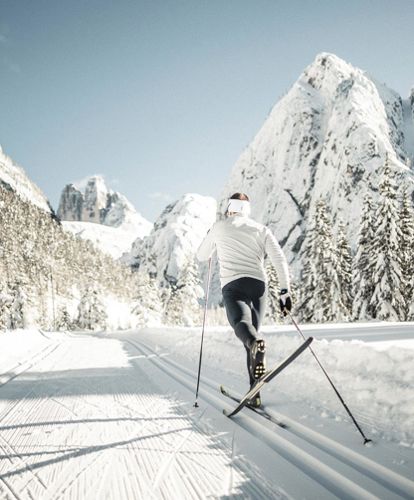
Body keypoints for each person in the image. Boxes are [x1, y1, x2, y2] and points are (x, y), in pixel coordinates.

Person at [196, 192, 292, 407]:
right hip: (259, 286)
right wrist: (285, 291)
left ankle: (254, 361)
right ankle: (254, 392)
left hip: (234, 285)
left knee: (244, 328)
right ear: (247, 209)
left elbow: (202, 255)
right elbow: (279, 258)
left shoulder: (219, 226)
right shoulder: (261, 229)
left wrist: (210, 235)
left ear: (230, 208)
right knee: (253, 337)